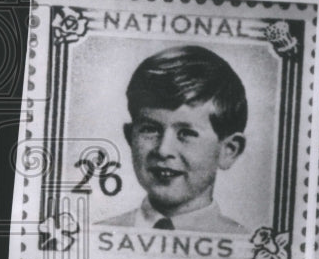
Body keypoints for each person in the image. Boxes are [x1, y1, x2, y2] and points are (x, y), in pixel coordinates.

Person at [103, 44, 247, 232]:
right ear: (130, 138)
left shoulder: (250, 246)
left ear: (228, 150)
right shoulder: (99, 235)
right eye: (150, 130)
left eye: (186, 133)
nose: (163, 150)